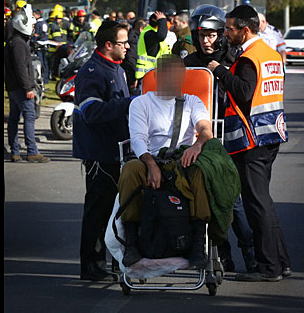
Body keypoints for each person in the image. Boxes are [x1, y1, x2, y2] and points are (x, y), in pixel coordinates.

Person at [207, 4, 292, 282]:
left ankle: (269, 268)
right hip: (271, 134)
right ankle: (280, 262)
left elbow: (244, 92)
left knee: (256, 204)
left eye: (230, 28)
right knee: (263, 201)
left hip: (252, 139)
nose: (226, 33)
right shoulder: (269, 54)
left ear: (245, 30)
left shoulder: (248, 58)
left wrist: (219, 70)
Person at [117, 55, 214, 269]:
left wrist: (198, 145)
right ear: (159, 76)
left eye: (180, 76)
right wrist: (151, 165)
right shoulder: (141, 103)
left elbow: (205, 128)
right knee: (130, 170)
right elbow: (138, 139)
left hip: (182, 161)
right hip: (149, 158)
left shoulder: (191, 101)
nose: (177, 80)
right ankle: (131, 242)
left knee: (201, 172)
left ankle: (198, 243)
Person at [183, 4, 257, 273]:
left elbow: (242, 94)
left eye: (212, 35)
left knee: (232, 200)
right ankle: (220, 256)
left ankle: (250, 255)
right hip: (195, 140)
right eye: (202, 35)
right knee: (203, 200)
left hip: (228, 139)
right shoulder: (188, 63)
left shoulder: (233, 60)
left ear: (221, 35)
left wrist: (221, 72)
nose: (206, 40)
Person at [72, 20, 134, 282]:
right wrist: (128, 104)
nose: (128, 46)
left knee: (114, 211)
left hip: (116, 151)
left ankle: (110, 261)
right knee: (97, 211)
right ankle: (91, 265)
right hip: (99, 153)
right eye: (123, 42)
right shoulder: (92, 72)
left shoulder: (116, 67)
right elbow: (91, 112)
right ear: (108, 45)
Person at [4, 3, 50, 163]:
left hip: (13, 87)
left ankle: (15, 152)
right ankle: (32, 151)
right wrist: (28, 88)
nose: (32, 26)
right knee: (29, 117)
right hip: (21, 88)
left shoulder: (13, 42)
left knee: (14, 119)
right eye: (30, 24)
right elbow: (21, 68)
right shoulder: (19, 44)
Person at [134, 11, 171, 84]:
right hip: (148, 74)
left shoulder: (152, 33)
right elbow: (161, 36)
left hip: (155, 74)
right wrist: (162, 20)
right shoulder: (148, 33)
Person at [120, 17, 146, 96]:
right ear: (141, 29)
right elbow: (131, 59)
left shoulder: (132, 37)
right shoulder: (134, 40)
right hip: (131, 76)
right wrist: (134, 78)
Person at [32, 9, 51, 84]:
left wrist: (34, 38)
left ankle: (42, 78)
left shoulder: (38, 23)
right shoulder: (45, 23)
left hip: (39, 45)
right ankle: (46, 78)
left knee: (40, 62)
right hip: (45, 44)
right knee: (45, 63)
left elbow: (38, 35)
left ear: (37, 15)